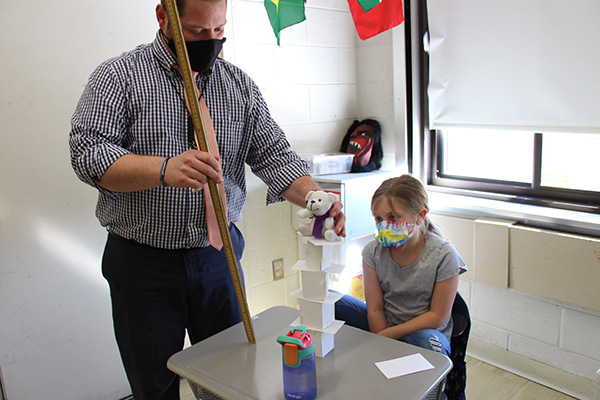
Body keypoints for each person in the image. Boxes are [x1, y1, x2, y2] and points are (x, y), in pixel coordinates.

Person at [69, 0, 345, 398]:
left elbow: (275, 157)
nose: (211, 42)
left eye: (219, 31)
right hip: (143, 263)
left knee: (230, 375)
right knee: (154, 382)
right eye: (197, 33)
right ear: (164, 17)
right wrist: (162, 169)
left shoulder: (238, 86)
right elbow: (87, 154)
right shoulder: (118, 77)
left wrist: (315, 195)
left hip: (219, 256)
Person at [335, 174, 466, 399]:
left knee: (426, 343)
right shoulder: (372, 252)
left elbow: (437, 317)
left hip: (424, 333)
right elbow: (374, 308)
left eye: (393, 217)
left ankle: (431, 393)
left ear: (420, 216)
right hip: (385, 325)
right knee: (331, 302)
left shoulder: (444, 255)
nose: (383, 224)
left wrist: (386, 337)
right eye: (378, 218)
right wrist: (380, 342)